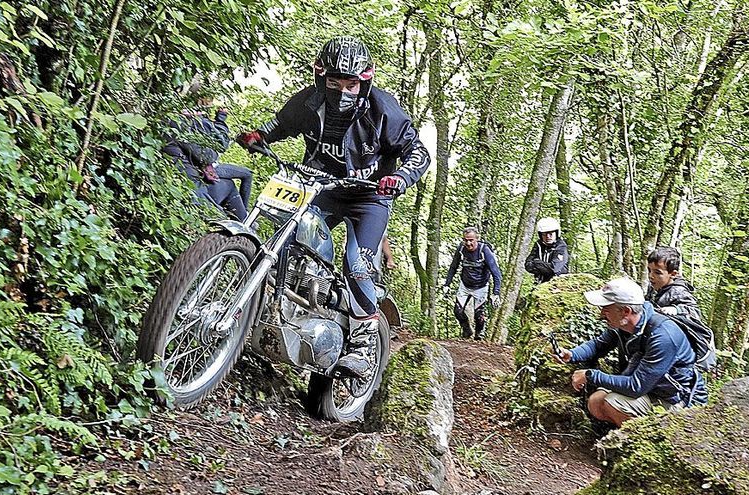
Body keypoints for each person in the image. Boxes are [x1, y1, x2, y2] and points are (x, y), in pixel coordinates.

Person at [237, 36, 430, 377]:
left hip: (368, 197)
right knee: (287, 233)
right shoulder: (309, 102)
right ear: (321, 77)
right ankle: (274, 304)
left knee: (358, 263)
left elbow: (418, 152)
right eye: (335, 82)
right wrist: (259, 136)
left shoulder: (383, 109)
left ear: (365, 81)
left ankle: (363, 344)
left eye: (352, 84)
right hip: (319, 188)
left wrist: (399, 178)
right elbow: (281, 125)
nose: (343, 91)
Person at [553, 278, 707, 427]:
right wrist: (571, 354)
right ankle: (625, 431)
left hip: (676, 400)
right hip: (651, 387)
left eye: (605, 309)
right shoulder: (624, 325)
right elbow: (599, 345)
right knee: (596, 402)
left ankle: (643, 443)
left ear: (626, 311)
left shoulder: (663, 337)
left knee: (613, 402)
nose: (601, 314)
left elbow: (635, 387)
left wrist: (590, 375)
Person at [162, 95, 253, 221]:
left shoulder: (167, 120)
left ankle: (243, 220)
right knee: (239, 179)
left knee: (230, 182)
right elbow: (210, 155)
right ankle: (245, 221)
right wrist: (220, 121)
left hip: (187, 178)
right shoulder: (183, 124)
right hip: (192, 189)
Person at [441, 227, 502, 340]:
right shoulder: (461, 249)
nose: (468, 243)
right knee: (458, 311)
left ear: (476, 239)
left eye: (471, 240)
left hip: (481, 287)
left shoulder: (484, 251)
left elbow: (496, 273)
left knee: (479, 316)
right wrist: (447, 284)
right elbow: (453, 267)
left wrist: (496, 293)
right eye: (465, 240)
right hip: (465, 285)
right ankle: (467, 330)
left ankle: (478, 336)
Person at [645, 246, 702, 319]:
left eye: (657, 272)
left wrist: (676, 309)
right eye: (649, 270)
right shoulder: (654, 286)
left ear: (673, 274)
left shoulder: (678, 292)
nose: (650, 276)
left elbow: (695, 311)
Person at [524, 217, 569, 283]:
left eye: (551, 234)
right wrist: (545, 267)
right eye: (544, 234)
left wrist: (537, 262)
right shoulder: (538, 245)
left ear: (556, 233)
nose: (548, 237)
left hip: (558, 283)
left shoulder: (561, 247)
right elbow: (528, 265)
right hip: (540, 282)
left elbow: (554, 269)